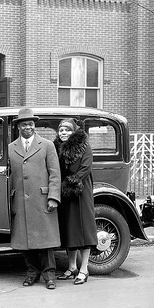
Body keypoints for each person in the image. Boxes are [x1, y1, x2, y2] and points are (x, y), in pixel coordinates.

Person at [0, 108, 61, 289]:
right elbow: (4, 167)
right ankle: (32, 273)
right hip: (21, 201)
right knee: (25, 242)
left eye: (30, 124)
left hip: (42, 200)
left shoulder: (46, 145)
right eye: (24, 124)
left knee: (46, 241)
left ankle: (49, 276)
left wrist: (53, 197)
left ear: (34, 126)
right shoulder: (10, 148)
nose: (28, 127)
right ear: (18, 127)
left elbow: (55, 173)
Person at [53, 118, 97, 285]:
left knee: (83, 229)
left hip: (80, 191)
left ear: (74, 132)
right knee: (69, 229)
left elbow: (86, 168)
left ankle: (84, 269)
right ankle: (72, 267)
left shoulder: (84, 146)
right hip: (64, 192)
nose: (63, 133)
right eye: (61, 130)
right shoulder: (56, 147)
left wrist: (71, 183)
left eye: (67, 130)